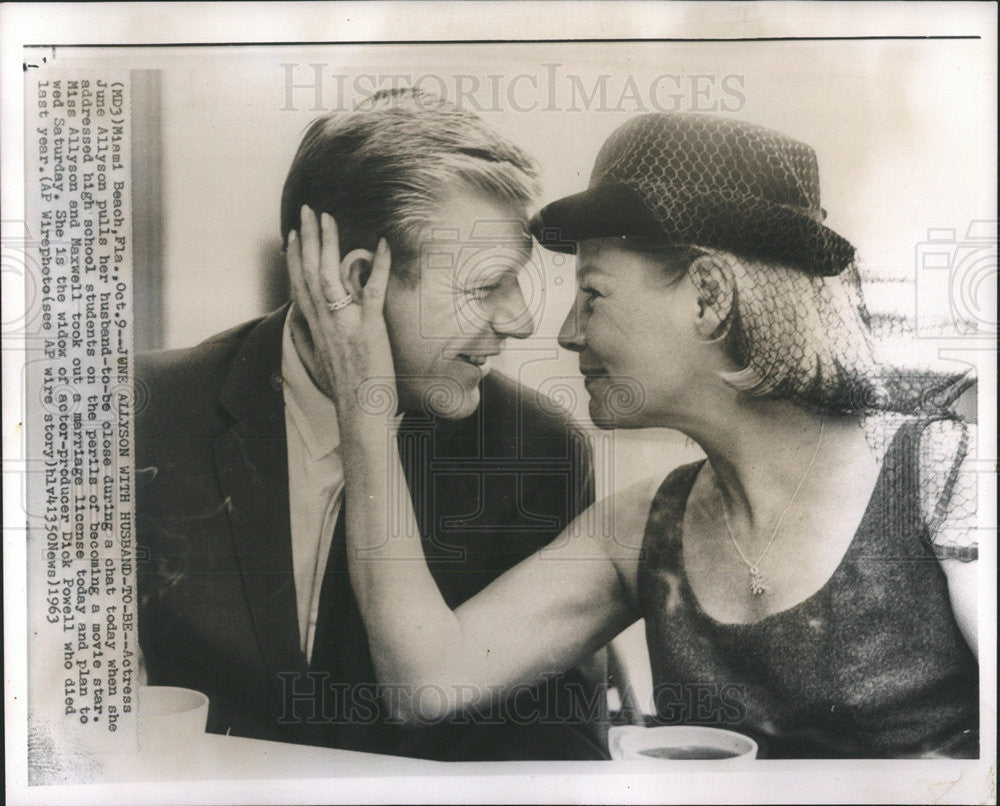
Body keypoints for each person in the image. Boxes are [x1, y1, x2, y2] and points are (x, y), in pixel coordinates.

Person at [297, 111, 980, 759]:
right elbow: (423, 682)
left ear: (709, 297)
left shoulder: (945, 477)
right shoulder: (642, 529)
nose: (566, 331)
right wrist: (366, 406)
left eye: (592, 293)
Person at [135, 88, 609, 761]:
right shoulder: (139, 415)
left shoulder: (538, 452)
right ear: (358, 282)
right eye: (486, 287)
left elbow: (563, 754)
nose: (521, 319)